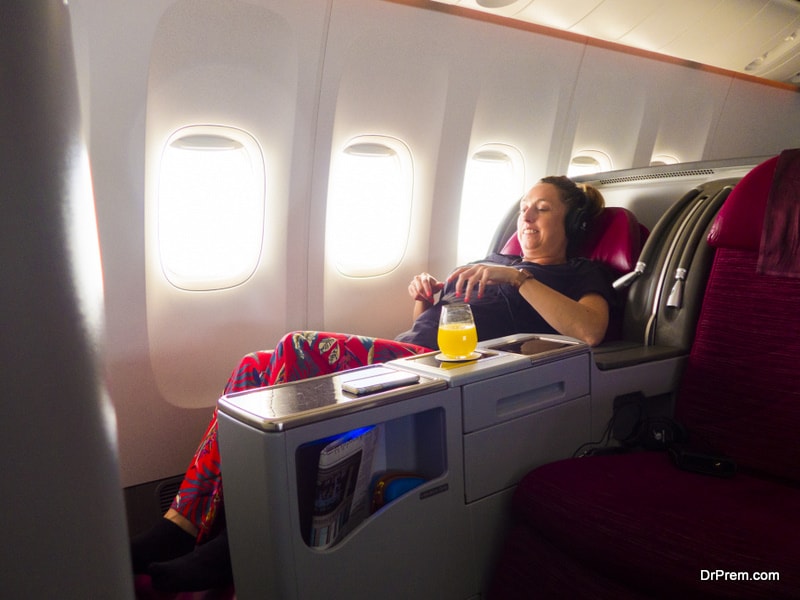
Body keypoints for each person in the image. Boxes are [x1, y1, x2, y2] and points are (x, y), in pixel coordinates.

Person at [131, 175, 616, 592]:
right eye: (524, 209)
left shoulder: (577, 274)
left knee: (295, 347)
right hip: (414, 354)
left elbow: (590, 330)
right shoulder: (493, 257)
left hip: (446, 368)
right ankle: (181, 524)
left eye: (542, 209)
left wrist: (517, 280)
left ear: (572, 225)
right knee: (253, 369)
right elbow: (438, 324)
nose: (526, 218)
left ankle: (234, 544)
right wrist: (425, 301)